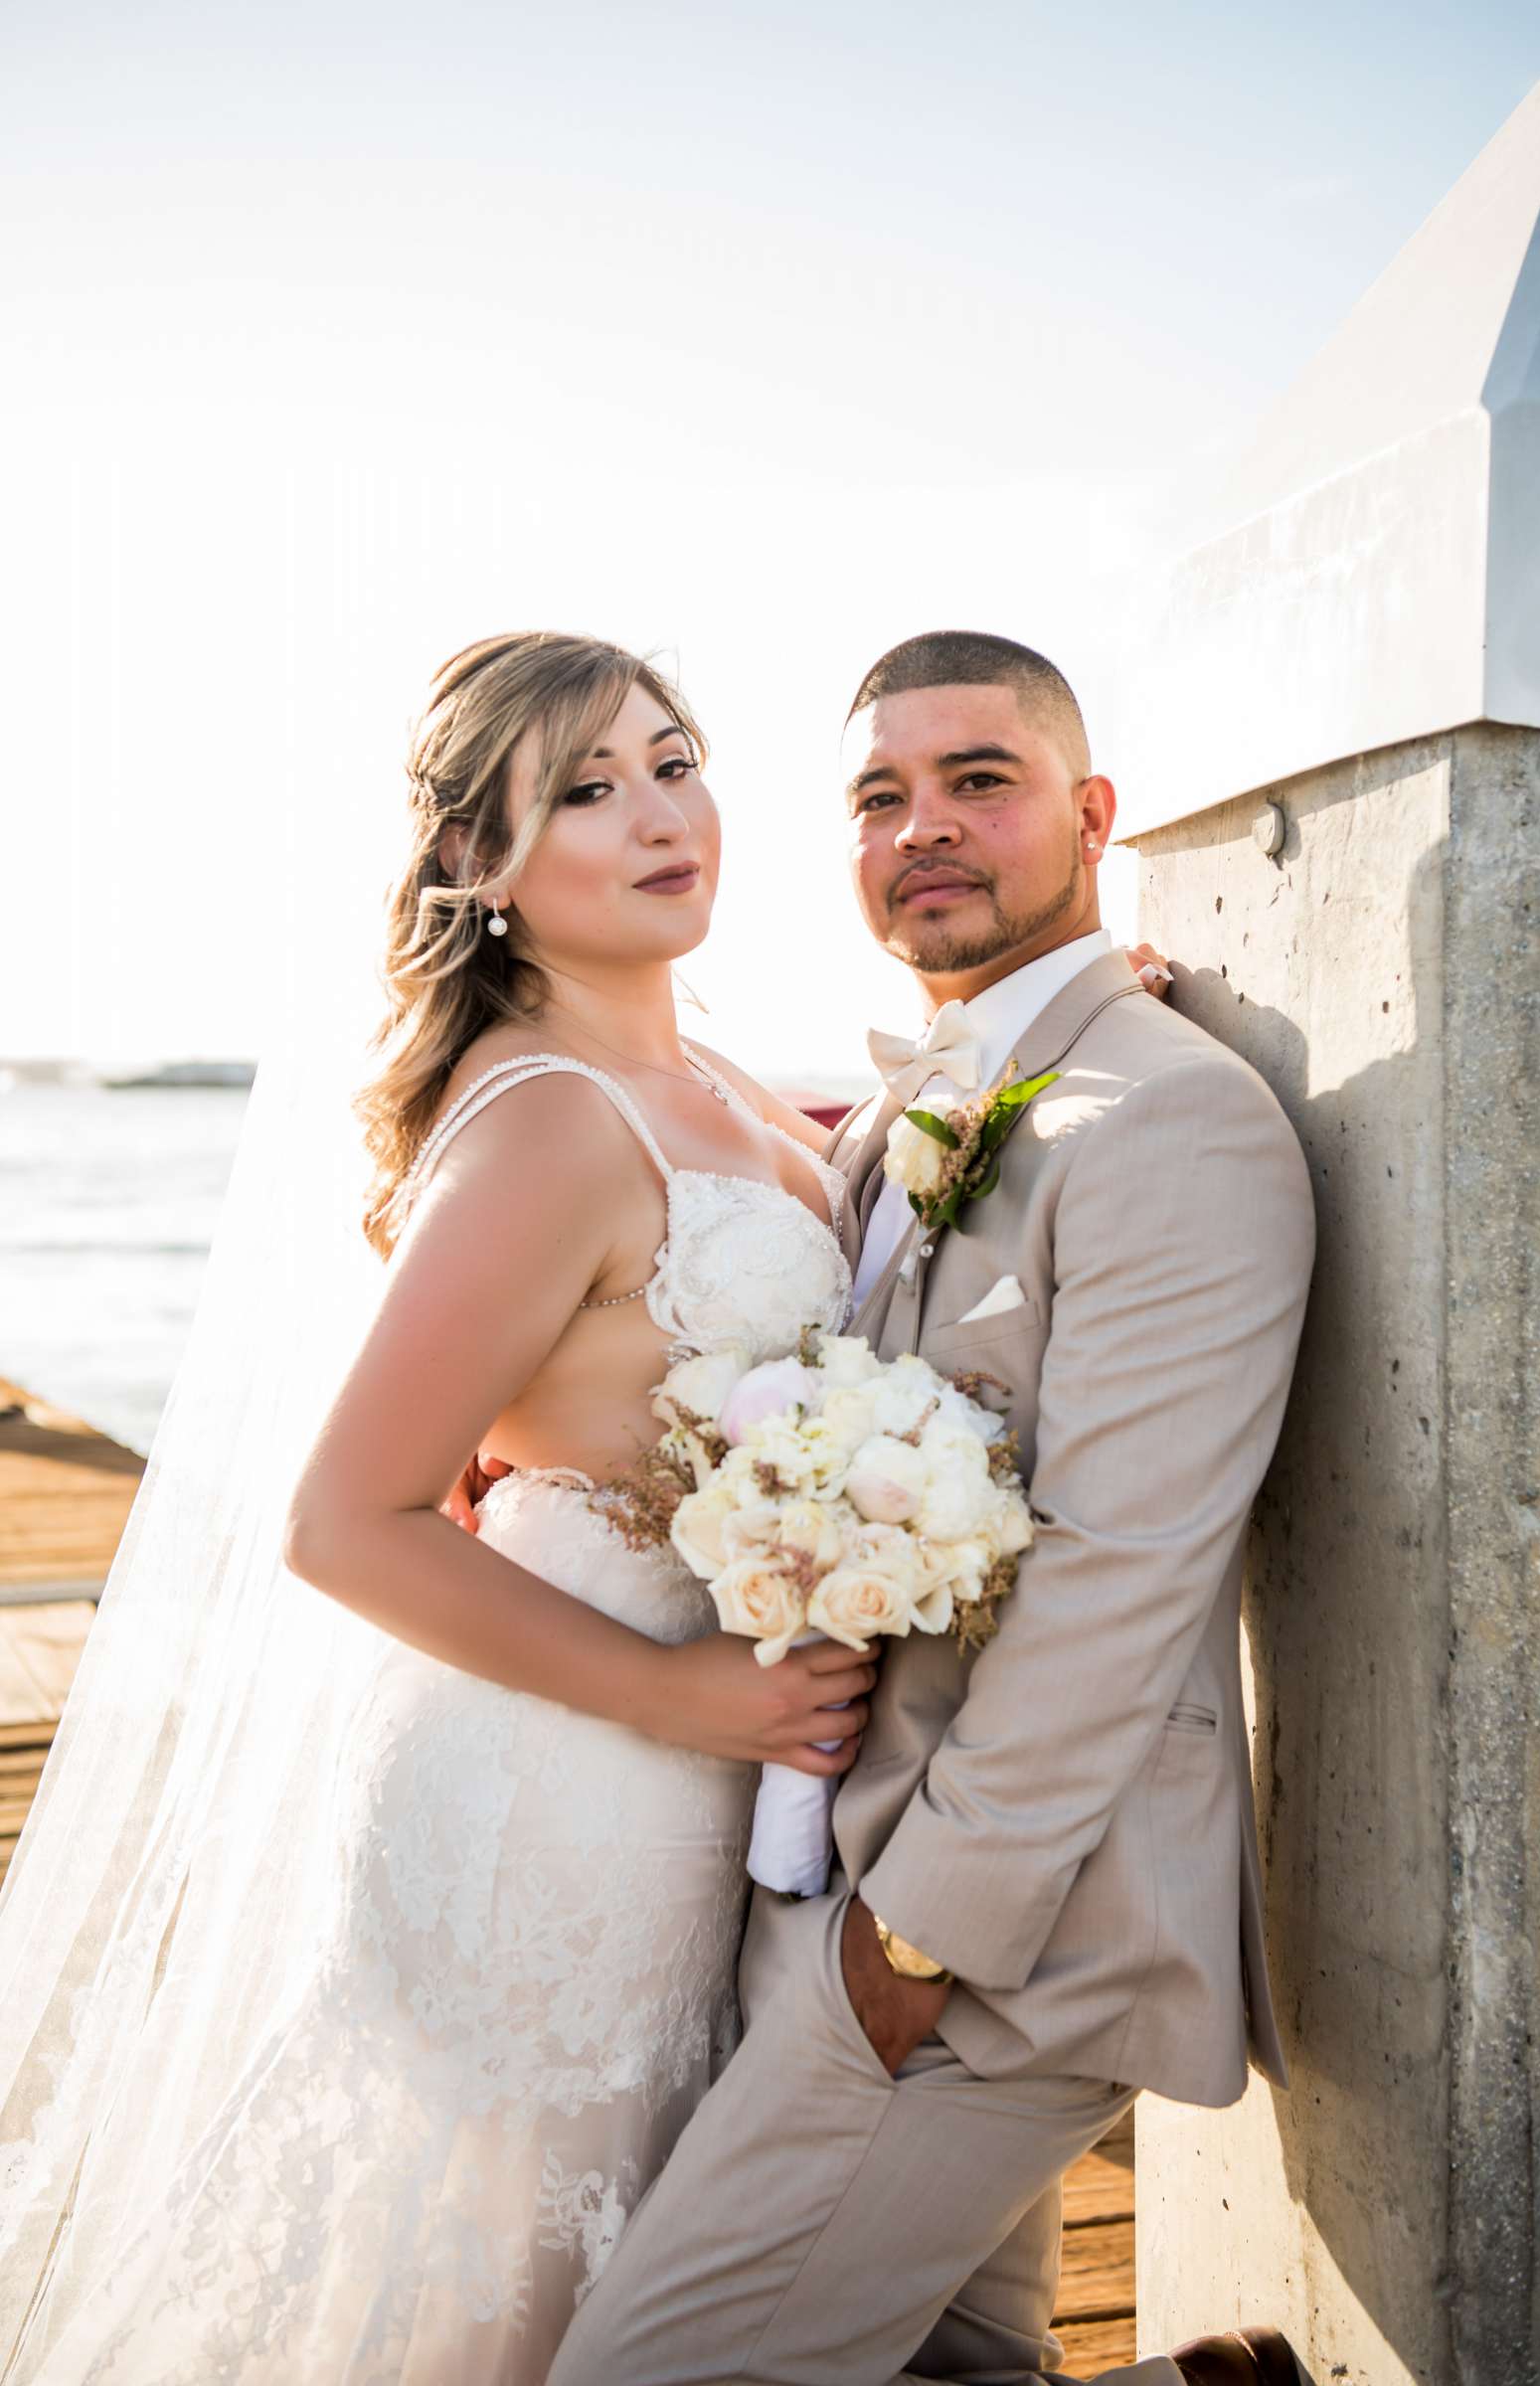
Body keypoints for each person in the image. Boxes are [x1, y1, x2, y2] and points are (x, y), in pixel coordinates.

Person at [0, 633, 877, 2384]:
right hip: (556, 1796)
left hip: (690, 1782)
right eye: (585, 788)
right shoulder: (551, 1123)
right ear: (479, 868)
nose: (660, 812)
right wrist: (684, 1695)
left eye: (672, 756)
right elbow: (346, 1520)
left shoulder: (708, 1084)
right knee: (505, 2304)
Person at [547, 632, 1317, 2386]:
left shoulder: (1173, 1122)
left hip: (991, 1941)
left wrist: (915, 1943)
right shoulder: (906, 1102)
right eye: (880, 798)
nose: (925, 830)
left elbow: (1125, 1574)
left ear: (1090, 811)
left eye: (980, 781)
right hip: (824, 1883)